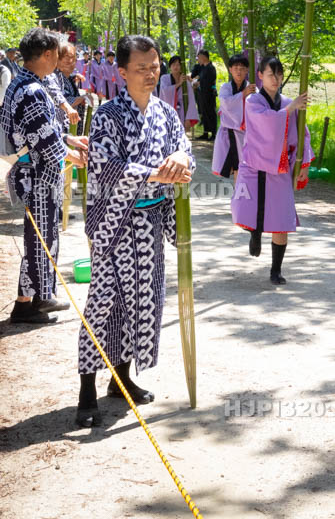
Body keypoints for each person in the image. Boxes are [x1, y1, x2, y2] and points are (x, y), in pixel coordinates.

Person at [76, 34, 194, 428]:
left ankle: (122, 378)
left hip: (150, 221)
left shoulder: (165, 112)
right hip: (114, 225)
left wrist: (179, 155)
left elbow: (184, 150)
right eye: (141, 68)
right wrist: (157, 171)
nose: (150, 74)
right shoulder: (108, 115)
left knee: (142, 302)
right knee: (104, 304)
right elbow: (106, 168)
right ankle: (86, 388)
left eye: (154, 66)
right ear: (122, 72)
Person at [1, 28, 88, 324]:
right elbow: (43, 138)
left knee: (39, 236)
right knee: (41, 238)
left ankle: (27, 303)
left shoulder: (24, 83)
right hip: (36, 175)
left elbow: (45, 130)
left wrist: (71, 141)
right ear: (48, 54)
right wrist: (72, 155)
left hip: (34, 172)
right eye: (58, 54)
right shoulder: (32, 89)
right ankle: (40, 296)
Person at [231, 56, 313, 286]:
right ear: (260, 75)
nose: (276, 79)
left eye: (279, 75)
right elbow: (266, 123)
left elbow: (302, 134)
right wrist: (289, 110)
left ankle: (276, 270)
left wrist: (303, 165)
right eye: (270, 74)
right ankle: (255, 232)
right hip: (255, 165)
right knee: (249, 208)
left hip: (281, 167)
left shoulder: (288, 102)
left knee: (281, 218)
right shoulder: (254, 101)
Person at [212, 54, 255, 179]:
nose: (239, 71)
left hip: (246, 135)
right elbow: (225, 103)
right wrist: (243, 94)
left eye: (242, 68)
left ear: (247, 70)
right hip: (228, 133)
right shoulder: (226, 87)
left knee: (243, 167)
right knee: (235, 166)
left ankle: (239, 196)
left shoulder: (252, 89)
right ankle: (238, 195)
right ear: (230, 69)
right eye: (236, 67)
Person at [158, 55, 198, 132]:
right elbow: (165, 91)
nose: (176, 67)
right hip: (168, 111)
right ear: (170, 67)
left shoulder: (186, 81)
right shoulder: (164, 78)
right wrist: (179, 83)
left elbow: (191, 100)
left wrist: (188, 118)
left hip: (183, 112)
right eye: (173, 65)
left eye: (178, 65)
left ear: (181, 67)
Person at [55, 40, 87, 133]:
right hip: (62, 131)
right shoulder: (54, 78)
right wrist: (83, 98)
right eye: (67, 57)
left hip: (72, 130)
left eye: (73, 58)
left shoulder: (67, 77)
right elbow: (64, 102)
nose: (71, 61)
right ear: (58, 58)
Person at [191, 49, 217, 141]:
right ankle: (205, 133)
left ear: (203, 57)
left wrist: (199, 84)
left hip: (209, 94)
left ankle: (214, 133)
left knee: (211, 113)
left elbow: (209, 81)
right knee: (204, 113)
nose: (198, 60)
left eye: (199, 58)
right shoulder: (203, 68)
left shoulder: (211, 68)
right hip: (202, 94)